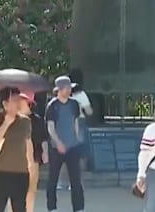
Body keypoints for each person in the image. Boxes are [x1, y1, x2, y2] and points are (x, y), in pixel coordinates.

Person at [0, 87, 32, 212]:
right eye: (15, 100)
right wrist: (6, 123)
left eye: (19, 100)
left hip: (21, 173)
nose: (18, 103)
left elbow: (28, 145)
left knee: (20, 208)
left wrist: (31, 167)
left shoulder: (25, 122)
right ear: (5, 103)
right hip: (0, 172)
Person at [45, 76, 84, 212]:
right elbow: (50, 127)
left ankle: (78, 207)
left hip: (73, 146)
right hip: (57, 148)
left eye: (69, 88)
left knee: (76, 180)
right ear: (59, 90)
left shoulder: (74, 104)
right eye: (66, 88)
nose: (68, 91)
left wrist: (77, 139)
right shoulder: (52, 106)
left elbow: (75, 123)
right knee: (53, 179)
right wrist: (58, 142)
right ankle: (52, 207)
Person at [7, 92, 47, 212]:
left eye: (22, 101)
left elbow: (43, 138)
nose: (18, 103)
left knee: (30, 191)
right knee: (13, 192)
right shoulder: (12, 119)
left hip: (33, 159)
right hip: (14, 160)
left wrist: (45, 152)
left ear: (29, 103)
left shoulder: (37, 120)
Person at [57, 69, 93, 190]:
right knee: (80, 154)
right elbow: (89, 111)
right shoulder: (81, 94)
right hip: (80, 122)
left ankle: (62, 182)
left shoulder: (62, 94)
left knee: (65, 153)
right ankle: (77, 182)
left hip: (65, 124)